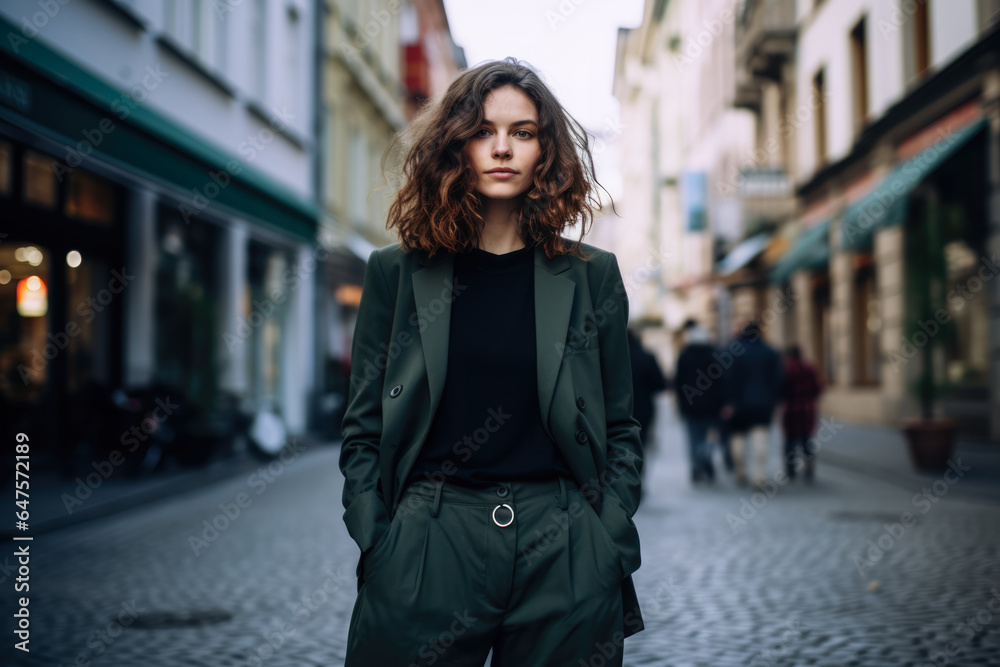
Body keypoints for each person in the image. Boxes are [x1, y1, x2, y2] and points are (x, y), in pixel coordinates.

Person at [339, 57, 645, 667]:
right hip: (430, 535)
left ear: (545, 150)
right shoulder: (396, 273)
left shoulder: (592, 276)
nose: (501, 148)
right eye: (482, 131)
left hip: (563, 540)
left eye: (523, 132)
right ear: (454, 146)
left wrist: (605, 537)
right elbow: (363, 426)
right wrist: (379, 538)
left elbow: (620, 425)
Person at [721, 321, 784, 487]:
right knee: (760, 439)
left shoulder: (733, 351)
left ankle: (741, 470)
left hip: (738, 404)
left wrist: (728, 402)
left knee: (737, 438)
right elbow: (778, 380)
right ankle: (759, 476)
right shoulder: (771, 351)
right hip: (763, 404)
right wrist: (773, 400)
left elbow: (726, 379)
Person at [674, 320, 725, 483]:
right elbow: (721, 382)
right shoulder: (714, 355)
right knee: (711, 437)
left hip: (691, 405)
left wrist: (680, 403)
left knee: (693, 438)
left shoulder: (684, 356)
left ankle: (696, 465)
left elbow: (678, 382)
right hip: (712, 406)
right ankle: (706, 457)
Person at [779, 345, 823, 482]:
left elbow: (780, 389)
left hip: (791, 409)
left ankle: (790, 469)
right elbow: (818, 388)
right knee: (806, 440)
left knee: (790, 440)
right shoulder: (809, 368)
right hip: (807, 409)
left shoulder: (786, 369)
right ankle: (809, 466)